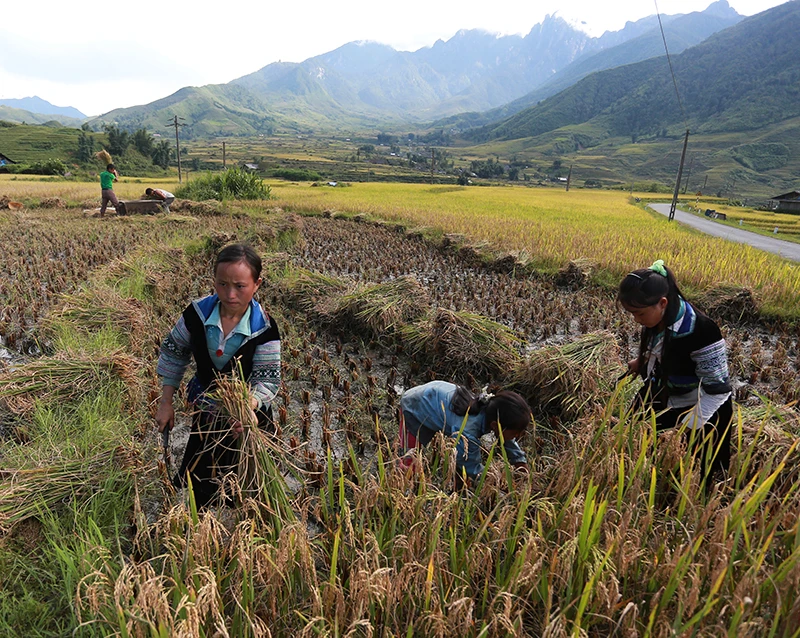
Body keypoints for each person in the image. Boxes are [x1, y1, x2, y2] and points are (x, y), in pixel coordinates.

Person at [155, 243, 281, 508]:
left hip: (247, 421)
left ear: (257, 284)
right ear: (213, 280)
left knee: (249, 490)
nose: (230, 293)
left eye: (240, 285)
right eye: (222, 284)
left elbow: (267, 379)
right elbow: (174, 354)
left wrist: (249, 406)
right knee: (201, 482)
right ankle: (202, 531)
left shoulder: (264, 327)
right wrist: (166, 402)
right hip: (207, 414)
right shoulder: (196, 314)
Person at [618, 259, 732, 487]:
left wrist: (687, 427)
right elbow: (662, 347)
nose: (635, 319)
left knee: (696, 473)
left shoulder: (702, 330)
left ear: (662, 303)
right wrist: (642, 361)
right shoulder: (659, 318)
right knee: (635, 443)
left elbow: (718, 391)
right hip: (662, 392)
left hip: (703, 408)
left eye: (638, 314)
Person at [398, 380, 531, 482]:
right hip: (415, 405)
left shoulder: (490, 410)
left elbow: (507, 439)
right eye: (515, 433)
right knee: (409, 460)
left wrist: (520, 463)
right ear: (495, 425)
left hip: (435, 395)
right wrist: (495, 482)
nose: (517, 436)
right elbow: (470, 466)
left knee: (459, 468)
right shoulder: (467, 431)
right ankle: (401, 491)